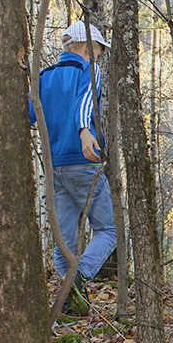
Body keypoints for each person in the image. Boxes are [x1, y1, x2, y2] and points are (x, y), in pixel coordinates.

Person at [30, 21, 117, 316]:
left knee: (63, 240)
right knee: (109, 229)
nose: (100, 56)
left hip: (55, 168)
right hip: (83, 162)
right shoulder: (88, 70)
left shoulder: (44, 76)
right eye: (99, 50)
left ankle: (69, 300)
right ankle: (79, 278)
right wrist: (83, 129)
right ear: (87, 47)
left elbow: (28, 114)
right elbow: (85, 103)